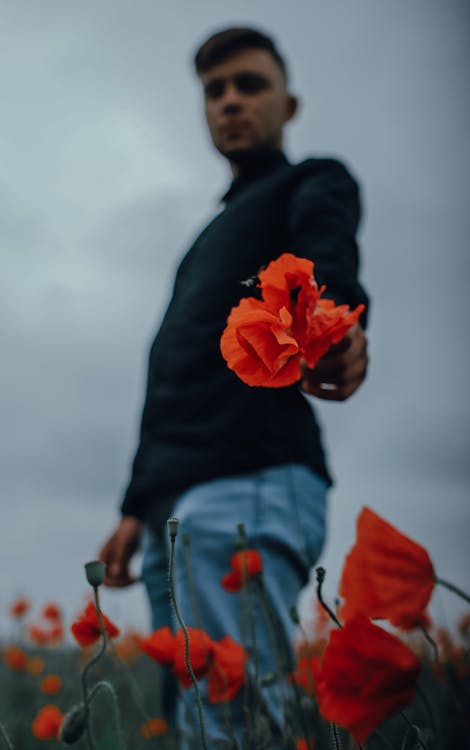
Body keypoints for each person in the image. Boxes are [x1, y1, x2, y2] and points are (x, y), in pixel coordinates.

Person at [99, 26, 369, 748]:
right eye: (215, 91)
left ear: (291, 102)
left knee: (232, 718)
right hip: (178, 497)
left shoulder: (313, 181)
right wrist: (137, 504)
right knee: (198, 715)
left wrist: (334, 327)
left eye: (250, 85)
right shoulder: (207, 238)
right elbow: (177, 383)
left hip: (249, 477)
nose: (230, 102)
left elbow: (325, 251)